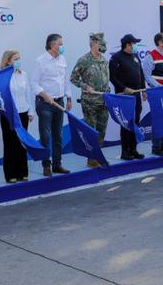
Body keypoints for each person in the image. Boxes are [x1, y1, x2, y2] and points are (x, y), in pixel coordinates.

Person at [32, 33, 73, 177]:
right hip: (45, 104)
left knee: (58, 135)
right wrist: (44, 95)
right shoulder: (41, 61)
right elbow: (34, 84)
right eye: (60, 44)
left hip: (59, 102)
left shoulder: (62, 59)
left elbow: (65, 80)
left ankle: (57, 164)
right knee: (45, 135)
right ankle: (46, 165)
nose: (62, 47)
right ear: (52, 45)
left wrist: (69, 97)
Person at [70, 32, 111, 167]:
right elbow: (73, 78)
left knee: (101, 131)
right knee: (91, 131)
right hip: (90, 103)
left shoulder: (104, 60)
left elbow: (106, 80)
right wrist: (84, 86)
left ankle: (97, 155)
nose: (103, 46)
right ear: (94, 44)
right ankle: (91, 158)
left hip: (103, 102)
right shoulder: (84, 60)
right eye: (101, 44)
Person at [109, 33, 146, 160]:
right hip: (124, 96)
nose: (135, 46)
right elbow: (112, 77)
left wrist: (144, 90)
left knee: (135, 122)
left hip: (137, 95)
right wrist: (124, 88)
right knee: (125, 123)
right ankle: (125, 151)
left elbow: (140, 73)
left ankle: (134, 149)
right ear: (127, 44)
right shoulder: (116, 58)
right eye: (134, 43)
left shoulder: (135, 56)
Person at [0, 50, 34, 183]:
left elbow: (28, 93)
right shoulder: (2, 76)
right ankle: (10, 174)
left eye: (19, 58)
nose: (18, 61)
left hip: (23, 112)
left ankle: (22, 172)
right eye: (15, 59)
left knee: (22, 143)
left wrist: (31, 111)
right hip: (9, 114)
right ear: (8, 61)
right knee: (10, 143)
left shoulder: (23, 74)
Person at [142, 32, 163, 156]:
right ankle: (156, 147)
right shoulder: (150, 57)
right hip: (157, 93)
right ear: (160, 43)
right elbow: (146, 76)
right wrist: (159, 87)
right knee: (158, 119)